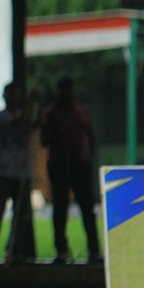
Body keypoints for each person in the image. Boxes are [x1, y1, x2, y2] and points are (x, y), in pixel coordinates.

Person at [40, 76, 102, 264]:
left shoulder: (82, 111)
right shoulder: (50, 113)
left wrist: (88, 158)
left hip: (80, 164)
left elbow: (90, 136)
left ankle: (94, 250)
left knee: (87, 209)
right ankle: (61, 250)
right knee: (60, 208)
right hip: (59, 164)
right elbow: (44, 140)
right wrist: (58, 134)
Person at [0, 83, 38, 265]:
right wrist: (31, 101)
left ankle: (14, 250)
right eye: (11, 94)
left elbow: (39, 123)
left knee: (21, 215)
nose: (14, 98)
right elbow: (20, 122)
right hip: (4, 172)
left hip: (22, 173)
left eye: (17, 94)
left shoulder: (26, 115)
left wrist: (39, 101)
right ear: (4, 96)